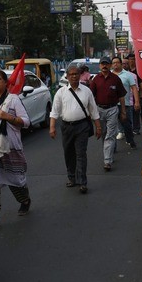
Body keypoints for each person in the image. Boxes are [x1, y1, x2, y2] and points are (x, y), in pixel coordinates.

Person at [0, 69, 31, 233]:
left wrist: (7, 117)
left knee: (16, 181)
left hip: (11, 149)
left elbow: (26, 122)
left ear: (5, 82)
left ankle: (25, 200)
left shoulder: (13, 100)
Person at [49, 64, 101, 194]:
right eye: (71, 74)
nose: (73, 76)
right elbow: (54, 111)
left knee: (81, 154)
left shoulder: (86, 91)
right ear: (67, 76)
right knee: (69, 153)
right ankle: (71, 177)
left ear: (80, 75)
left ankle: (82, 182)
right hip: (67, 127)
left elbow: (93, 110)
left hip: (82, 126)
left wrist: (98, 127)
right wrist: (52, 127)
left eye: (76, 74)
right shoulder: (61, 92)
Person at [89, 56, 127, 171]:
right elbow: (91, 97)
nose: (104, 66)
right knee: (103, 133)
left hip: (112, 109)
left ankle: (107, 160)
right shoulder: (96, 79)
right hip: (99, 110)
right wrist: (91, 112)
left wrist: (123, 112)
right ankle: (109, 152)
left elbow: (121, 96)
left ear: (110, 66)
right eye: (102, 64)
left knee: (110, 135)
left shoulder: (115, 79)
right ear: (100, 66)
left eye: (106, 64)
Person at [112, 56, 139, 149]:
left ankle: (130, 140)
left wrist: (137, 102)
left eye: (117, 62)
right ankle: (112, 147)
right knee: (112, 126)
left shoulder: (128, 75)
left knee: (127, 124)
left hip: (125, 104)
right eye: (113, 63)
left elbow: (134, 88)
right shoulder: (110, 75)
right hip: (112, 105)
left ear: (121, 64)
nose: (115, 64)